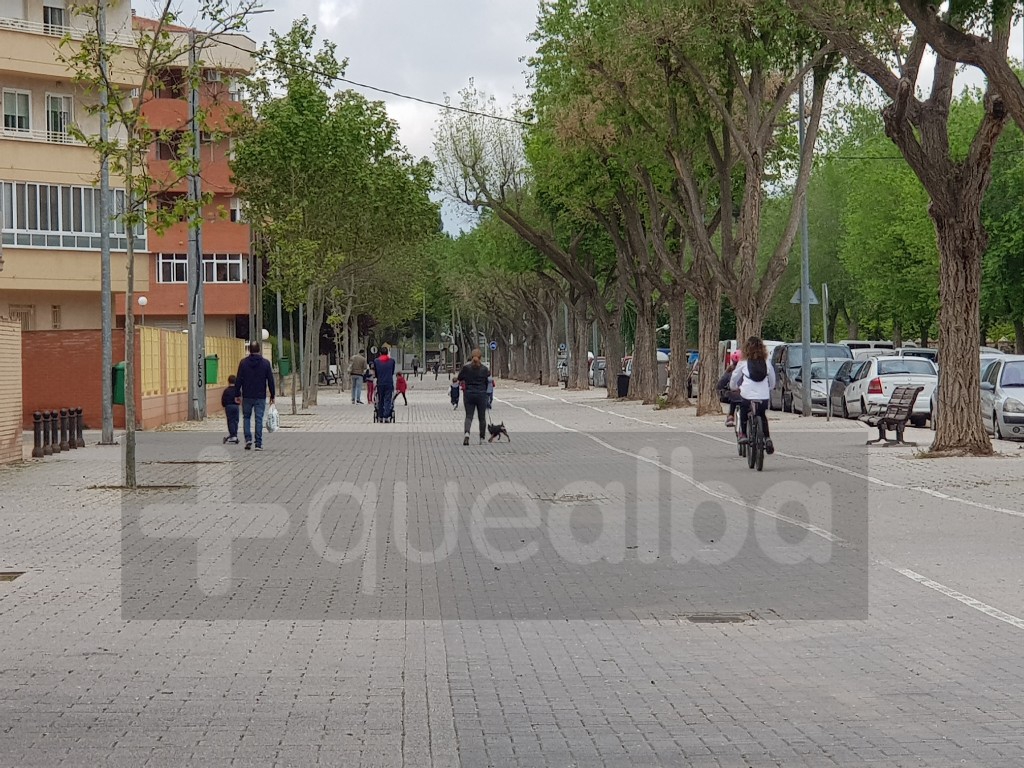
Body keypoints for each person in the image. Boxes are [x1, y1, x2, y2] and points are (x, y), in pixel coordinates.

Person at [729, 336, 777, 454]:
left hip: (747, 394)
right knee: (762, 414)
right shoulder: (766, 362)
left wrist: (733, 387)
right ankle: (767, 438)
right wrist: (770, 387)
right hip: (763, 395)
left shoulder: (743, 362)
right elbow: (772, 379)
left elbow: (735, 377)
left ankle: (743, 434)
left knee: (744, 410)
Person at [234, 342, 275, 451]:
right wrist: (272, 395)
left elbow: (239, 379)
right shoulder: (265, 363)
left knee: (246, 417)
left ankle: (248, 439)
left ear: (249, 350)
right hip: (260, 396)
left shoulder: (243, 363)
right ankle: (258, 444)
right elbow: (270, 380)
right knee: (259, 419)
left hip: (247, 395)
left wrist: (237, 394)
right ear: (259, 350)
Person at [457, 348, 491, 445]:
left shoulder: (466, 368)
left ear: (471, 357)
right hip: (481, 394)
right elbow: (487, 381)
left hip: (469, 394)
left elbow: (460, 377)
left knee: (469, 416)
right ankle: (482, 438)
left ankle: (467, 434)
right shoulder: (484, 369)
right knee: (482, 417)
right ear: (481, 357)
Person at [717, 351, 744, 428]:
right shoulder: (747, 368)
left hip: (736, 394)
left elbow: (723, 381)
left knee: (734, 397)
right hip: (748, 393)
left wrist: (719, 388)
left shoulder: (730, 370)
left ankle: (731, 416)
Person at [374, 346, 396, 417]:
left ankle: (380, 414)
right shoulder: (392, 361)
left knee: (380, 399)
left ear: (380, 353)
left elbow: (376, 373)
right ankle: (386, 414)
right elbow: (392, 372)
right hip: (389, 382)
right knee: (388, 399)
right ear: (387, 353)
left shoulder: (376, 361)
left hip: (380, 382)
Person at [221, 374, 239, 444]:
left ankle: (232, 435)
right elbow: (239, 398)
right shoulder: (237, 390)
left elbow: (223, 400)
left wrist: (224, 405)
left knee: (230, 421)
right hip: (236, 406)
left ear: (228, 381)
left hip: (228, 406)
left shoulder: (226, 390)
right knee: (236, 421)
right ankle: (235, 434)